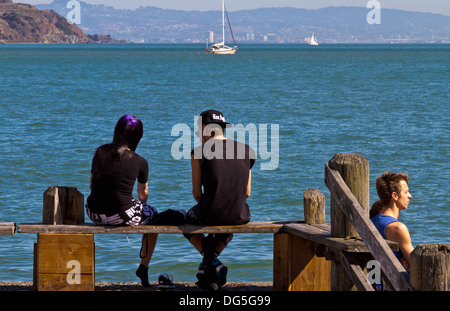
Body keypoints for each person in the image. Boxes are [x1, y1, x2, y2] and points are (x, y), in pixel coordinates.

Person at [85, 114, 184, 288]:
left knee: (140, 211)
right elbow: (142, 194)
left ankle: (143, 267)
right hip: (120, 215)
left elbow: (92, 185)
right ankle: (143, 266)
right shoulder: (140, 161)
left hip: (93, 213)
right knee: (153, 215)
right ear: (138, 137)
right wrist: (138, 208)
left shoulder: (100, 152)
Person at [184, 109, 256, 291]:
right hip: (239, 214)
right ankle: (209, 264)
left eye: (198, 128)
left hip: (209, 213)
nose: (196, 133)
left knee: (183, 218)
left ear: (206, 128)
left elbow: (197, 195)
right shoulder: (247, 151)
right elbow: (247, 193)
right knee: (231, 216)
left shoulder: (198, 152)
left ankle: (210, 261)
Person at [371, 171, 414, 272]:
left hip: (375, 280)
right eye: (406, 192)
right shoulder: (397, 228)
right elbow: (418, 265)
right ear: (395, 196)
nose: (410, 196)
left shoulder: (371, 221)